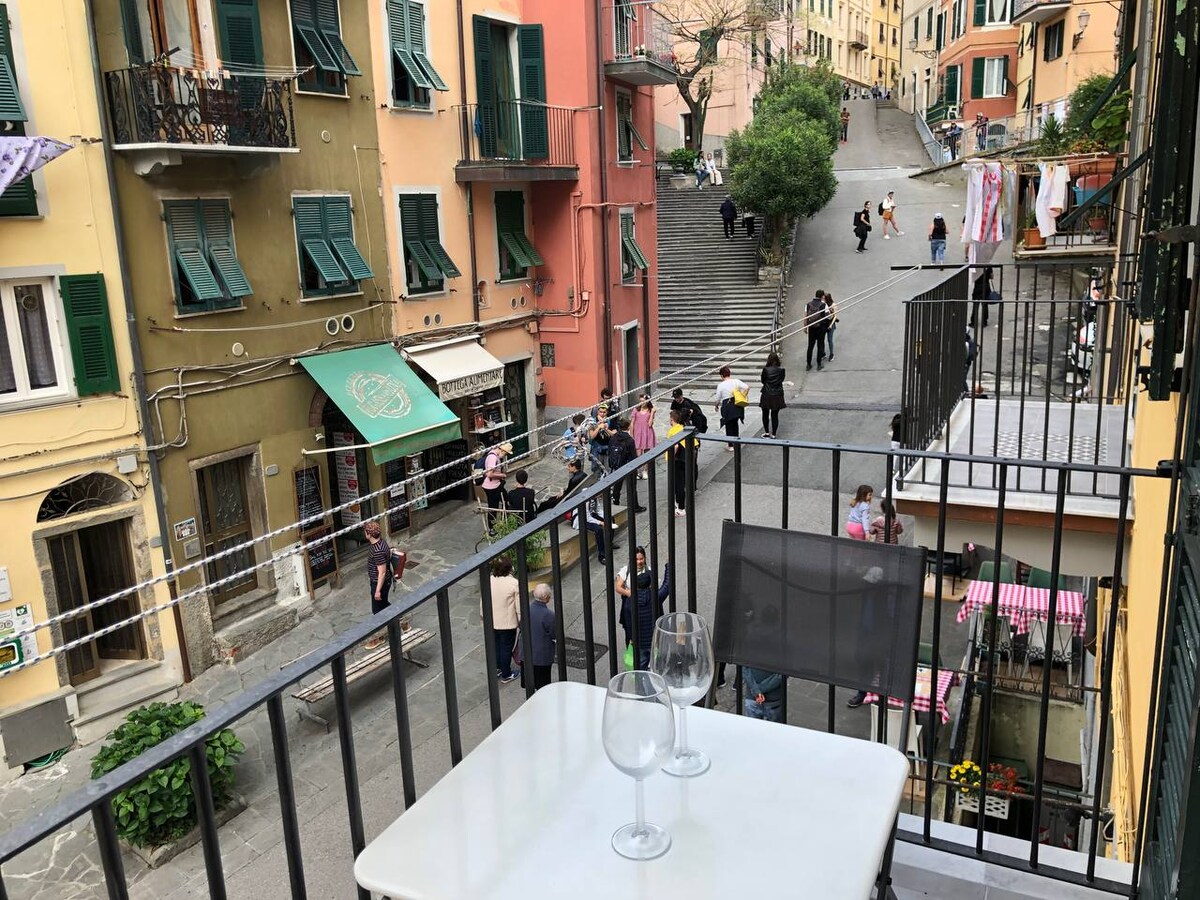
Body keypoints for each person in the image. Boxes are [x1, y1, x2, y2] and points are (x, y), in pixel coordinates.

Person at [485, 556, 521, 684]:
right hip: (507, 623)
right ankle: (506, 674)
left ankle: (498, 669)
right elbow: (519, 606)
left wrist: (483, 617)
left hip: (491, 621)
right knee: (506, 648)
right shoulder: (514, 583)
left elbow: (483, 601)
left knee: (496, 646)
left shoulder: (489, 580)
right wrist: (521, 621)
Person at [362, 521, 393, 651]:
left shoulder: (377, 550)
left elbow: (382, 572)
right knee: (384, 606)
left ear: (369, 534)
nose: (364, 533)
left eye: (365, 532)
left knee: (377, 610)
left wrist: (377, 591)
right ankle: (403, 622)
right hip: (385, 581)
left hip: (379, 583)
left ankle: (378, 638)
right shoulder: (382, 543)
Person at [608, 418, 645, 511]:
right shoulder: (629, 440)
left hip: (616, 465)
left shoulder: (614, 437)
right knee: (632, 486)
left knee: (617, 486)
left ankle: (616, 503)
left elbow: (610, 451)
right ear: (628, 427)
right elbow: (633, 456)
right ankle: (634, 506)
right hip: (628, 465)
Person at [665, 408, 697, 517]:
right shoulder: (683, 428)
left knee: (678, 484)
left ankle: (681, 508)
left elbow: (675, 446)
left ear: (672, 420)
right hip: (687, 459)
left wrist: (671, 457)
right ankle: (679, 503)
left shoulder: (672, 431)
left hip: (678, 460)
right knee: (683, 482)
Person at [528, 584, 556, 691]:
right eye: (549, 595)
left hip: (527, 653)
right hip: (541, 656)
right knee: (543, 685)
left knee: (530, 683)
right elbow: (554, 633)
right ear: (545, 597)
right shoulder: (549, 615)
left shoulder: (527, 609)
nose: (550, 596)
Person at [714, 366, 750, 446]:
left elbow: (718, 399)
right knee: (735, 424)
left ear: (722, 376)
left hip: (727, 406)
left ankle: (730, 445)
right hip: (737, 404)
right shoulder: (736, 381)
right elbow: (747, 387)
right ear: (729, 374)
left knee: (728, 425)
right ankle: (736, 442)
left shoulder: (721, 385)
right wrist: (743, 395)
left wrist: (716, 406)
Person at [481, 441, 512, 528]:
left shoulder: (495, 455)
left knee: (506, 499)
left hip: (497, 484)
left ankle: (506, 519)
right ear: (502, 450)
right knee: (493, 507)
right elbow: (489, 474)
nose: (505, 456)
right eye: (506, 454)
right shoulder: (492, 457)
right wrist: (502, 475)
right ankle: (492, 528)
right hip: (491, 487)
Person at [583, 493, 619, 565]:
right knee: (598, 529)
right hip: (583, 519)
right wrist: (600, 522)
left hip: (591, 515)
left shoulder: (595, 497)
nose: (600, 496)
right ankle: (602, 555)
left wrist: (606, 517)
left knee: (610, 518)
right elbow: (587, 517)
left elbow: (598, 510)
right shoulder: (586, 499)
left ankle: (609, 543)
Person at [760, 351, 786, 438]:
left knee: (765, 414)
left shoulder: (765, 370)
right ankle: (774, 433)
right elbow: (781, 380)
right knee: (775, 415)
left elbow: (763, 381)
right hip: (777, 394)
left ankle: (767, 432)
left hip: (767, 394)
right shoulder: (782, 370)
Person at [805, 290, 830, 371]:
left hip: (811, 327)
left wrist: (805, 327)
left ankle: (808, 364)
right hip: (821, 328)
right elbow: (828, 316)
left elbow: (805, 317)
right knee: (820, 345)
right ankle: (819, 364)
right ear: (822, 296)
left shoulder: (808, 304)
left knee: (810, 346)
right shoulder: (824, 305)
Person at [631, 394, 656, 472]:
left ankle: (645, 471)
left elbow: (650, 424)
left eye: (643, 401)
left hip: (647, 433)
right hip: (638, 433)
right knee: (638, 454)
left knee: (646, 454)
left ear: (647, 401)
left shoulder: (650, 410)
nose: (641, 403)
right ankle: (639, 471)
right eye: (640, 401)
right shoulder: (635, 410)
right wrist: (631, 434)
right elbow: (632, 423)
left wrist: (652, 413)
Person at [823, 293, 838, 361]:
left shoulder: (833, 305)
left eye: (824, 298)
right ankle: (823, 353)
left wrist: (831, 325)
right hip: (824, 323)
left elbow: (835, 316)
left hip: (830, 324)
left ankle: (831, 354)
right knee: (822, 339)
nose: (823, 300)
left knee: (829, 340)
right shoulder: (824, 304)